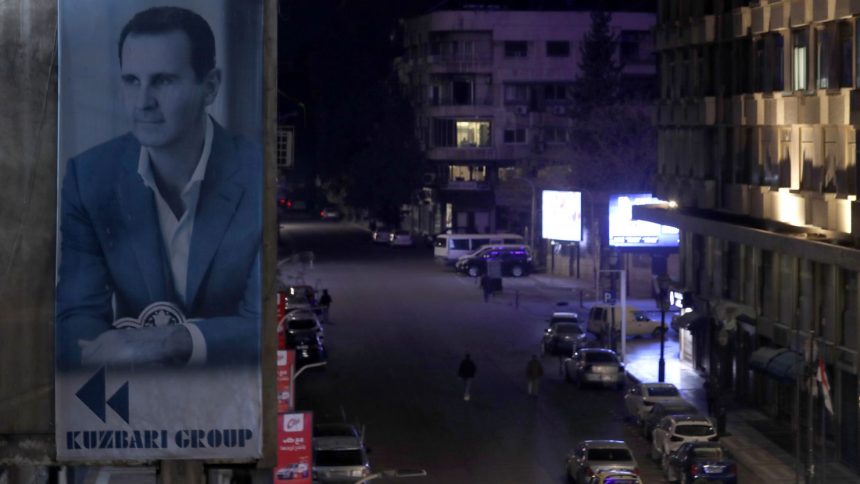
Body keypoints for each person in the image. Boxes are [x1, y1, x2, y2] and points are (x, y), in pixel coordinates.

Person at [55, 6, 261, 370]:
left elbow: (263, 326)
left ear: (210, 86)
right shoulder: (88, 178)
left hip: (236, 402)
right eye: (132, 80)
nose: (142, 102)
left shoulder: (258, 176)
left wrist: (176, 341)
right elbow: (77, 315)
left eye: (163, 81)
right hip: (131, 402)